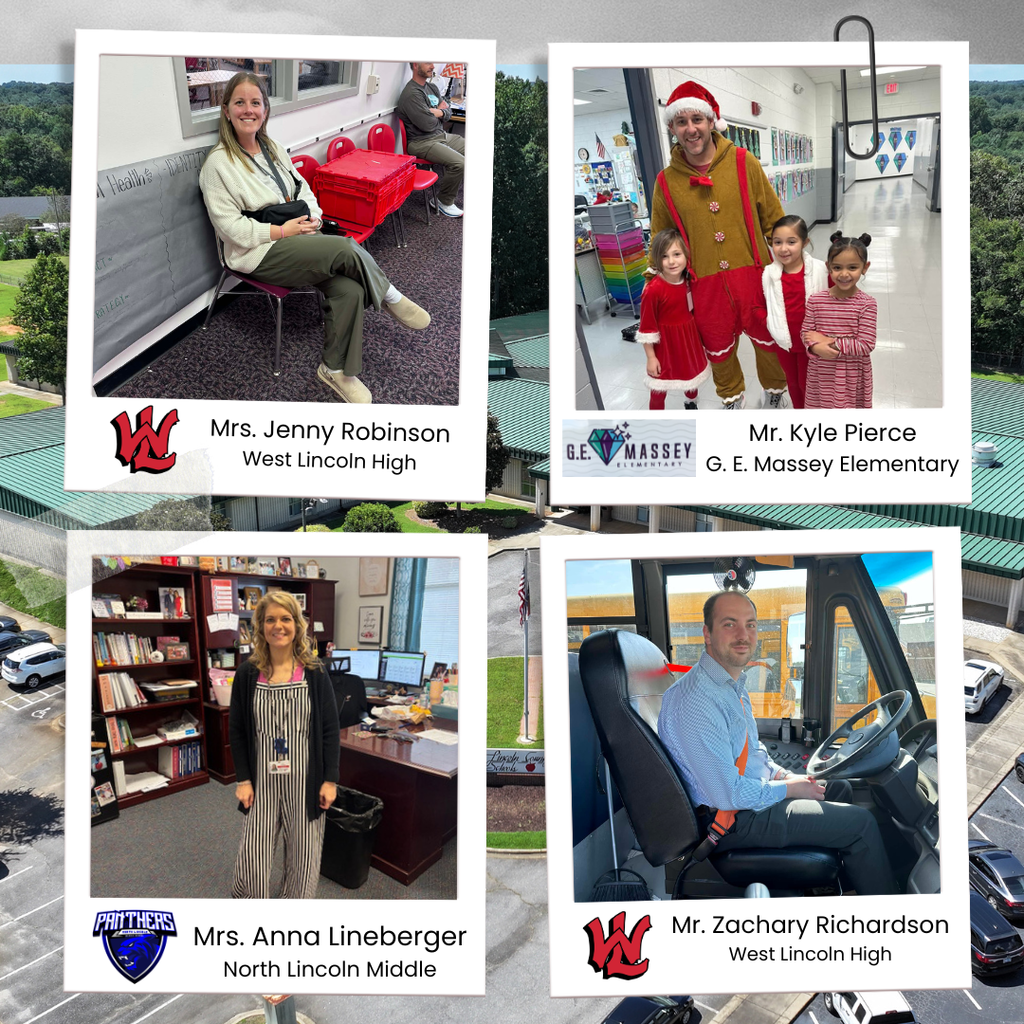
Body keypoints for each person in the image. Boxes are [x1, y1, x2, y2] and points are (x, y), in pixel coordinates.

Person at [199, 72, 431, 405]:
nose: (248, 110)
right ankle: (391, 296)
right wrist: (283, 231)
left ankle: (336, 371)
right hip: (257, 251)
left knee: (349, 288)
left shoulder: (272, 147)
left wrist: (314, 216)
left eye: (255, 103)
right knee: (346, 247)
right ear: (225, 110)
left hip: (296, 235)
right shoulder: (217, 165)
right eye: (239, 103)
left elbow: (301, 188)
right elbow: (231, 230)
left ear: (265, 110)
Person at [657, 590, 899, 896]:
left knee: (840, 789)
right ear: (707, 633)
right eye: (729, 624)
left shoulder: (733, 685)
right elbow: (728, 794)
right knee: (862, 825)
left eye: (751, 625)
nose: (743, 634)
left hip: (740, 804)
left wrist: (785, 776)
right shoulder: (695, 700)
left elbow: (754, 756)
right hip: (729, 821)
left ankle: (845, 891)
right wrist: (792, 789)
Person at [649, 81, 789, 410]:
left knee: (770, 344)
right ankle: (731, 400)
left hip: (754, 277)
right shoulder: (665, 182)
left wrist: (795, 267)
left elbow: (774, 221)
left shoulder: (744, 162)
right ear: (672, 128)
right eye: (681, 122)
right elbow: (660, 240)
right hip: (704, 285)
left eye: (697, 119)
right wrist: (656, 290)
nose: (690, 129)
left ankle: (775, 394)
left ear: (711, 121)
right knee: (717, 349)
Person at [229, 591, 340, 899]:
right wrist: (243, 779)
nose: (278, 626)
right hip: (261, 781)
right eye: (270, 619)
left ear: (297, 624)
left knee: (304, 859)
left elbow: (330, 730)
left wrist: (330, 780)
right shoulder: (247, 673)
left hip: (305, 780)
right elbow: (237, 731)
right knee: (253, 856)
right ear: (261, 627)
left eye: (286, 618)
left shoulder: (315, 673)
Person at [636, 229, 710, 410]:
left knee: (692, 376)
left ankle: (691, 403)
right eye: (664, 256)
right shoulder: (653, 290)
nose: (671, 261)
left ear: (686, 255)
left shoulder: (689, 280)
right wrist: (651, 357)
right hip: (665, 346)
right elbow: (646, 329)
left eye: (676, 254)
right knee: (659, 387)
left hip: (688, 340)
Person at [802, 232, 876, 409]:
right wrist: (813, 346)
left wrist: (828, 342)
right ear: (828, 267)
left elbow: (866, 344)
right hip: (821, 372)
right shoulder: (815, 300)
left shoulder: (867, 304)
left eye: (852, 267)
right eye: (837, 268)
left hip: (851, 375)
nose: (844, 274)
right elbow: (806, 333)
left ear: (865, 267)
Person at [762, 215, 828, 409]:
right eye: (777, 242)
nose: (783, 248)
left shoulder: (821, 270)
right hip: (785, 343)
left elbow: (836, 299)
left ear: (805, 242)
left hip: (812, 343)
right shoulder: (768, 274)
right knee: (792, 382)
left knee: (808, 384)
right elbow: (758, 306)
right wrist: (770, 323)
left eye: (791, 242)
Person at [396, 62, 466, 219]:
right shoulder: (411, 94)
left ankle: (453, 187)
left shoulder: (432, 88)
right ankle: (442, 201)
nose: (433, 66)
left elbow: (449, 112)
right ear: (415, 65)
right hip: (421, 142)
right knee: (460, 163)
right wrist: (441, 113)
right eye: (427, 63)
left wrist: (438, 112)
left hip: (440, 135)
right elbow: (427, 125)